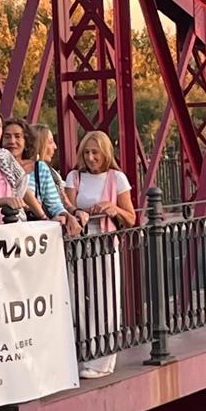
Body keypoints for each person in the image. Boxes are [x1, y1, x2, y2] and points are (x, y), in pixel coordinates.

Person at [64, 130, 136, 379]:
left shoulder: (117, 178)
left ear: (106, 153)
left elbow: (130, 218)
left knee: (106, 297)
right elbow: (67, 207)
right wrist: (78, 212)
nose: (91, 157)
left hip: (105, 243)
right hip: (79, 244)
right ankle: (85, 354)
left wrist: (113, 208)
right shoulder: (74, 177)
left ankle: (103, 360)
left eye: (95, 152)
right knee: (80, 298)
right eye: (86, 152)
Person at [11, 120, 79, 235]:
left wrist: (67, 215)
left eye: (17, 137)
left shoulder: (40, 168)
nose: (55, 147)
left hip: (32, 233)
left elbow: (54, 204)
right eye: (50, 142)